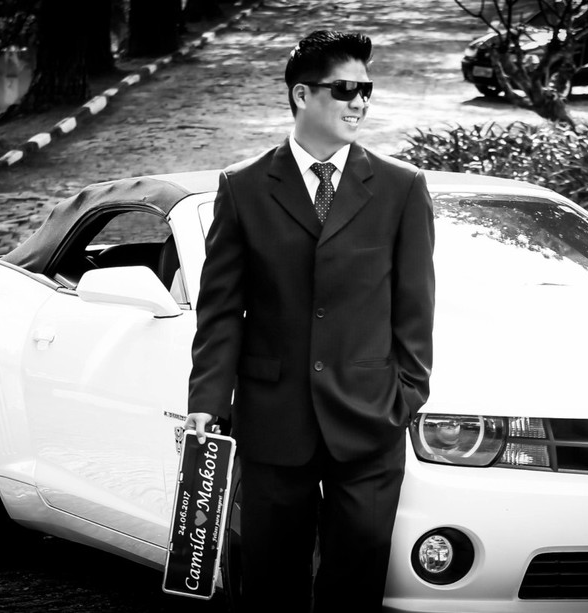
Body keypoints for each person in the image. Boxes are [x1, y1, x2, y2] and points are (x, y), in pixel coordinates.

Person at [184, 29, 435, 612]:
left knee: (356, 584)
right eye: (345, 89)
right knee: (273, 585)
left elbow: (415, 307)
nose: (360, 102)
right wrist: (207, 400)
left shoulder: (401, 188)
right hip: (274, 421)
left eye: (367, 90)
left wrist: (407, 394)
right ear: (302, 95)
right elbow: (221, 309)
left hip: (371, 419)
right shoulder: (243, 187)